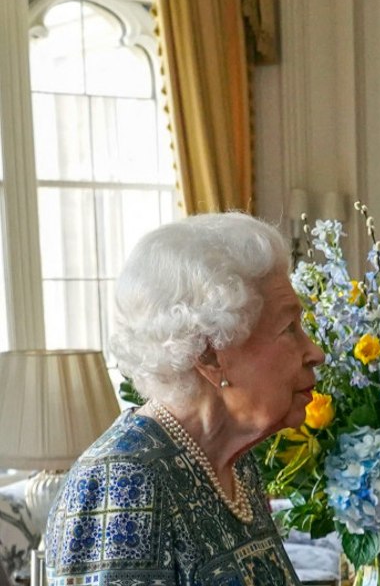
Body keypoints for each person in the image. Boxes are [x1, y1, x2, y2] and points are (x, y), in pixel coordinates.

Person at [44, 213, 325, 585]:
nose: (315, 352)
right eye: (289, 328)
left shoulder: (233, 465)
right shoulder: (123, 484)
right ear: (210, 355)